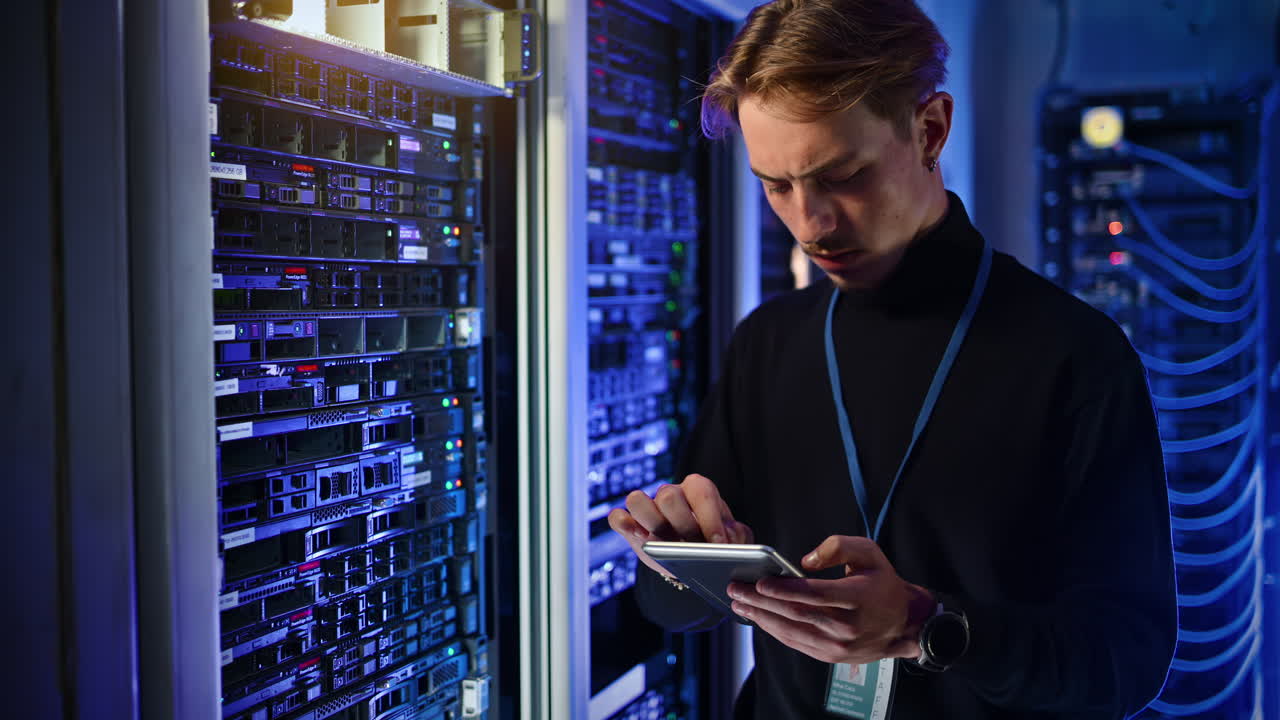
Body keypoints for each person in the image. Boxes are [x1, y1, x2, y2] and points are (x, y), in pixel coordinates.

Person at [606, 0, 1179, 718]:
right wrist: (679, 562)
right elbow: (676, 612)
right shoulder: (768, 342)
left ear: (930, 128)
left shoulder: (1077, 357)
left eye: (843, 175)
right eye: (776, 186)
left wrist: (923, 624)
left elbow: (1129, 661)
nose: (809, 224)